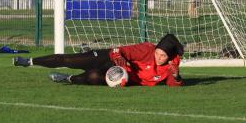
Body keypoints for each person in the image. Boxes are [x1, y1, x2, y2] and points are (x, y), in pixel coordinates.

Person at [13, 34, 185, 86]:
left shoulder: (171, 65)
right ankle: (28, 61)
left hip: (121, 77)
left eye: (163, 56)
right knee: (70, 60)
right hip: (109, 58)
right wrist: (120, 61)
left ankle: (67, 79)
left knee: (94, 77)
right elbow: (120, 50)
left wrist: (177, 77)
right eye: (158, 53)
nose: (159, 58)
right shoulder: (146, 49)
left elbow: (172, 83)